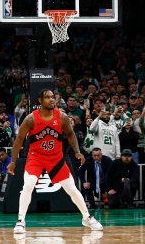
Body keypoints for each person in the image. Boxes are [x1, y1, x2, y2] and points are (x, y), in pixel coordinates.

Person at [7, 89, 102, 234]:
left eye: (53, 97)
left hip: (56, 158)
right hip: (36, 157)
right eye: (48, 97)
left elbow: (71, 134)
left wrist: (77, 151)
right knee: (28, 184)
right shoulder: (31, 119)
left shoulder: (62, 117)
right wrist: (13, 161)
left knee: (72, 189)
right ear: (40, 100)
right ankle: (21, 221)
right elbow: (19, 140)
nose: (52, 100)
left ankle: (87, 217)